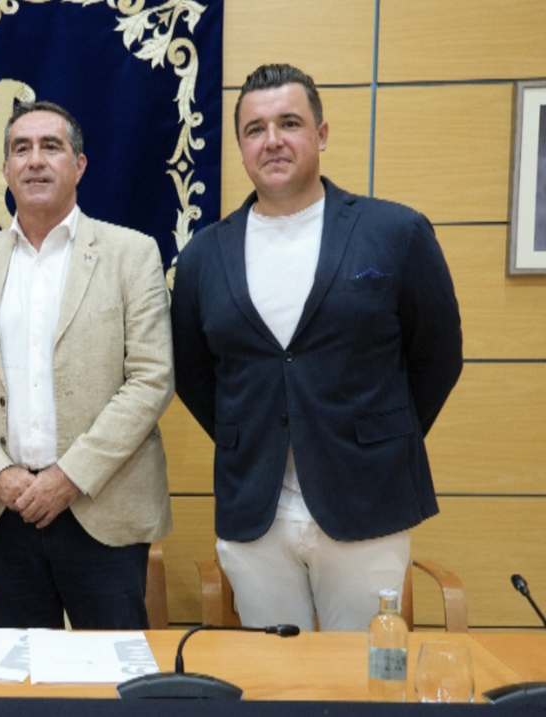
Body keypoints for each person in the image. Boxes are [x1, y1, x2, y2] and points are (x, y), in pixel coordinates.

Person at [170, 64, 464, 631]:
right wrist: (265, 431)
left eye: (289, 123)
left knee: (364, 679)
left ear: (321, 135)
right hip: (256, 509)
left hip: (366, 500)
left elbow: (438, 357)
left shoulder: (395, 232)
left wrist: (374, 439)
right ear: (239, 145)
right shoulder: (205, 255)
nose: (272, 140)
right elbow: (195, 374)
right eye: (255, 129)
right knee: (275, 684)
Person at [0, 101, 175, 629]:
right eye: (21, 149)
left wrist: (69, 476)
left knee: (112, 678)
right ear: (5, 171)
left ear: (79, 165)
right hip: (5, 511)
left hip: (100, 505)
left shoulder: (131, 254)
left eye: (51, 146)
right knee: (21, 683)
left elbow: (151, 380)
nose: (35, 160)